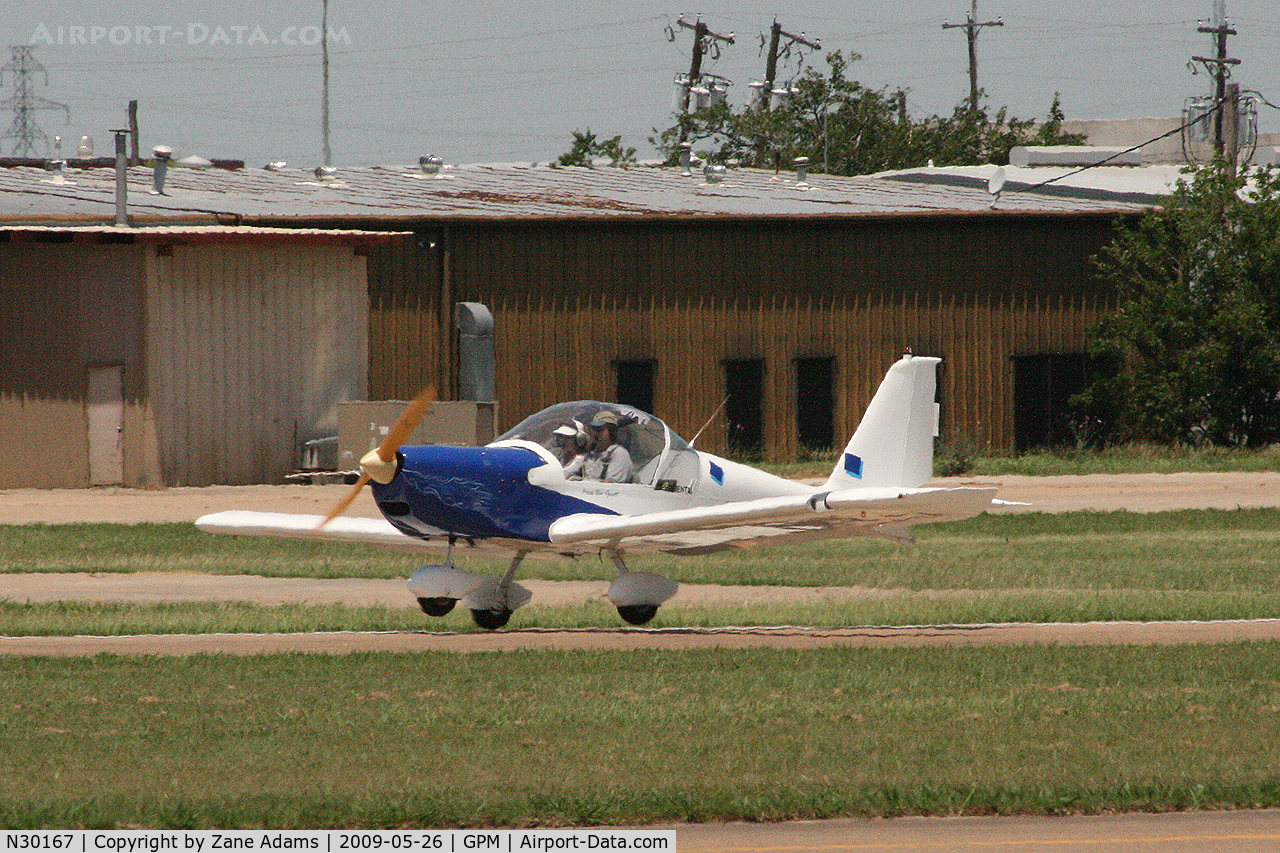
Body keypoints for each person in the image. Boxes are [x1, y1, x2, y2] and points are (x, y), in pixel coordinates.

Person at [581, 410, 633, 483]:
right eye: (593, 429)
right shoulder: (591, 454)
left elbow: (610, 485)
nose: (595, 433)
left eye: (599, 430)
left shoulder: (619, 454)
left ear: (611, 431)